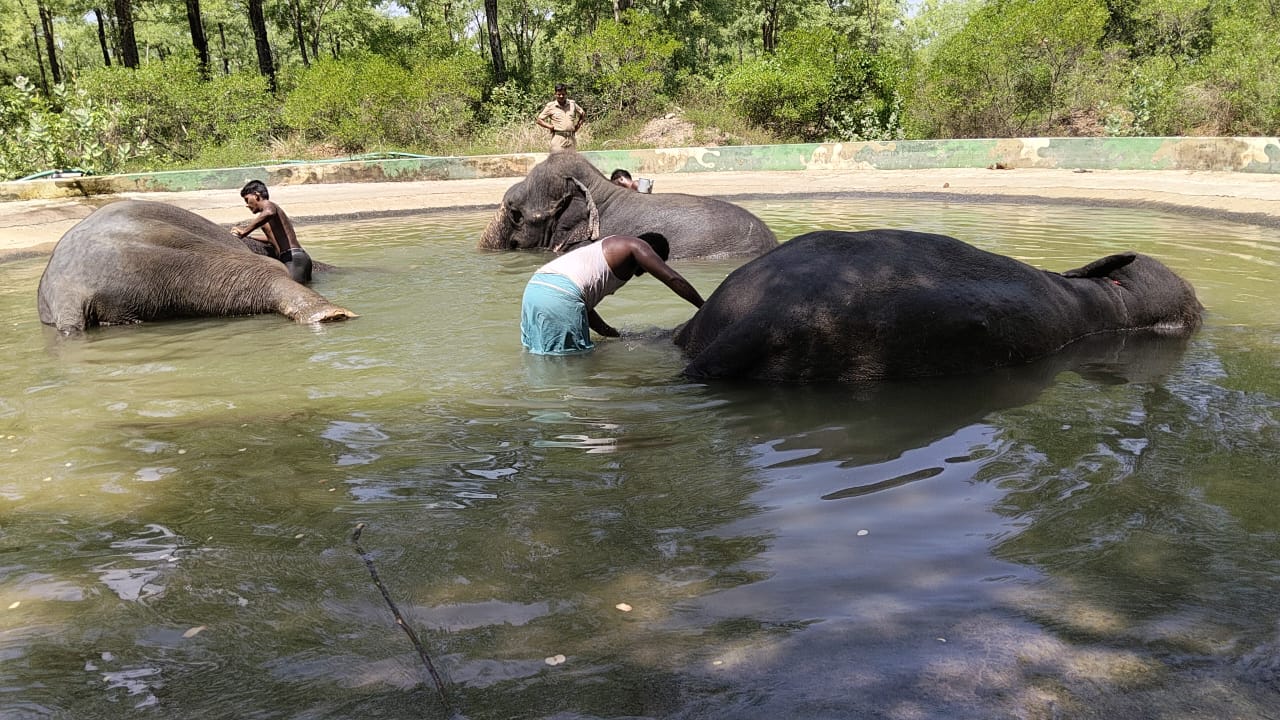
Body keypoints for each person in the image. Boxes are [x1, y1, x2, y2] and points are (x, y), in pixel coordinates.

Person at [521, 233, 704, 355]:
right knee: (571, 365)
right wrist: (705, 307)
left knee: (541, 356)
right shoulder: (637, 246)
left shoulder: (605, 252)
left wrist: (610, 333)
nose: (648, 271)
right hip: (560, 296)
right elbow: (673, 279)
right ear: (653, 253)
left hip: (535, 290)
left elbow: (583, 304)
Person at [230, 180, 312, 284]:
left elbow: (269, 212)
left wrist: (244, 231)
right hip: (297, 258)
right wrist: (250, 237)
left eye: (247, 199)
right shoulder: (267, 219)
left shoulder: (268, 205)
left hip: (293, 259)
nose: (247, 205)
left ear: (256, 195)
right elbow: (271, 239)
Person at [536, 83, 585, 153]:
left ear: (566, 94)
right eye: (559, 94)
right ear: (555, 94)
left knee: (571, 159)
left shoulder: (572, 104)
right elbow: (539, 120)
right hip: (558, 138)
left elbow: (582, 114)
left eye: (563, 94)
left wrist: (578, 126)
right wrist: (550, 127)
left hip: (571, 138)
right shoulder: (551, 106)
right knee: (557, 158)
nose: (561, 96)